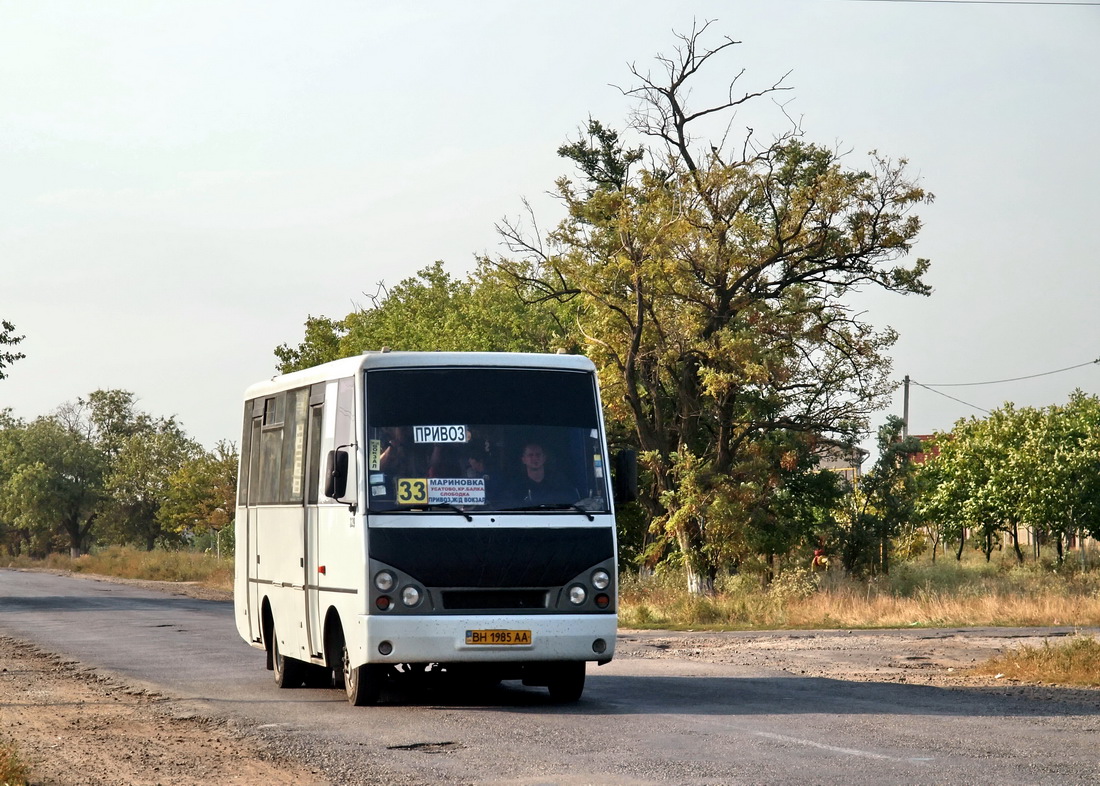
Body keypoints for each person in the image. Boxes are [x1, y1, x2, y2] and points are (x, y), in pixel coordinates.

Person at [512, 441, 576, 505]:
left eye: (538, 454)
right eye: (530, 455)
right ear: (524, 460)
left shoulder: (560, 482)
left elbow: (572, 501)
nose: (535, 458)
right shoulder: (517, 487)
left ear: (544, 458)